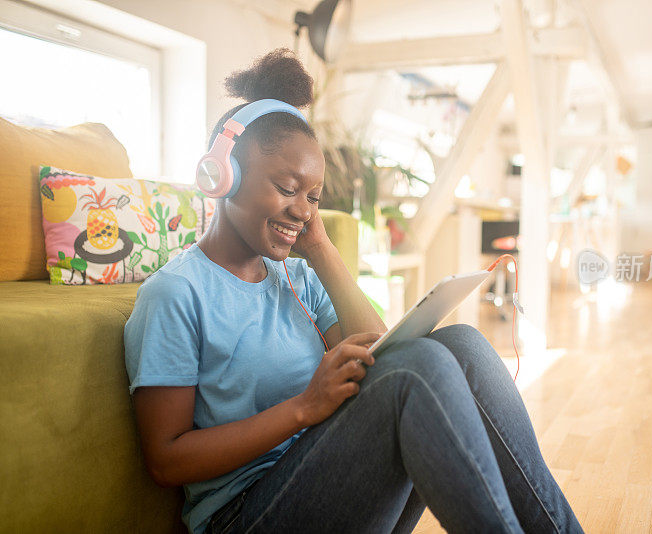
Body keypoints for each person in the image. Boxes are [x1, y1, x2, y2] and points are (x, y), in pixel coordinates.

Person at [124, 48, 583, 534]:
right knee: (418, 371)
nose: (302, 209)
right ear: (223, 175)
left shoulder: (297, 278)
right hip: (244, 516)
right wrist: (302, 408)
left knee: (462, 345)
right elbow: (166, 460)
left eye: (314, 197)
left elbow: (385, 353)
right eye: (286, 187)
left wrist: (319, 249)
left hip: (323, 474)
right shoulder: (176, 294)